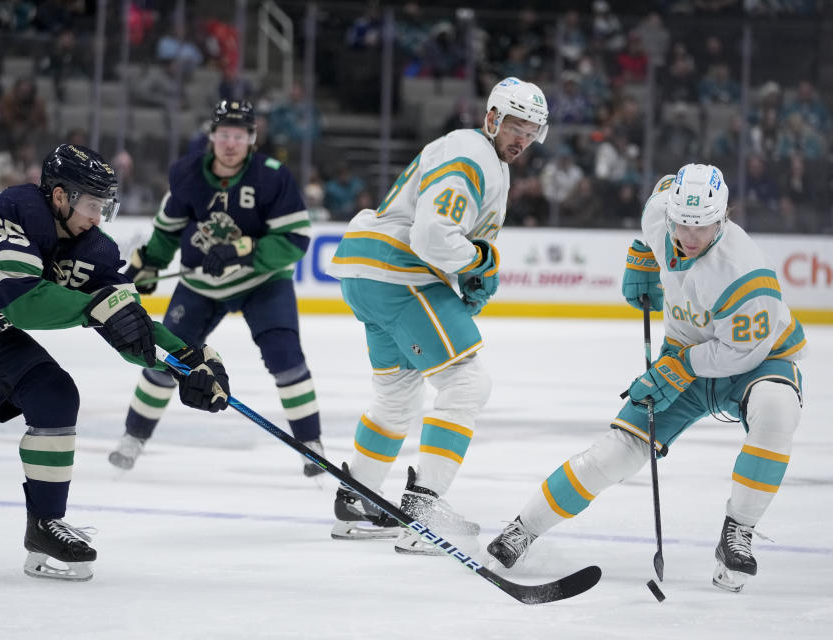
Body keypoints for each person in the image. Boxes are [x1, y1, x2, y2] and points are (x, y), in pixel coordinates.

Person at [0, 144, 230, 582]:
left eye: (106, 206)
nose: (98, 217)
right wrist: (93, 309)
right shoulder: (13, 211)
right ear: (60, 196)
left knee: (55, 395)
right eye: (92, 204)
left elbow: (128, 325)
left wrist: (187, 360)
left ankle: (44, 526)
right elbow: (21, 303)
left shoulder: (93, 248)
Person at [487, 164, 806, 594]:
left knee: (777, 410)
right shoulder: (661, 212)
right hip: (686, 351)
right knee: (615, 454)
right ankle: (523, 527)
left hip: (759, 359)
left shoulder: (746, 275)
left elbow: (741, 351)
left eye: (703, 227)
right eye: (681, 225)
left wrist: (681, 367)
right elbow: (657, 202)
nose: (689, 237)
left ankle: (739, 530)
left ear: (724, 217)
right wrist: (642, 252)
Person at [325, 77, 549, 553]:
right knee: (467, 383)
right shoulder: (471, 154)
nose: (522, 139)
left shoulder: (481, 157)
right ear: (492, 118)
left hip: (367, 273)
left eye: (532, 132)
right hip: (397, 271)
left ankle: (356, 498)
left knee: (396, 399)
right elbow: (433, 235)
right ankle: (421, 511)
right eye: (515, 126)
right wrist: (478, 264)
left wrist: (470, 266)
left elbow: (442, 233)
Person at [110, 99, 324, 477]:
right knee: (167, 358)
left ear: (252, 140)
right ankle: (133, 436)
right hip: (201, 284)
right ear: (211, 136)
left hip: (262, 283)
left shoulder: (272, 176)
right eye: (224, 134)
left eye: (239, 136)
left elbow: (295, 240)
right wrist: (150, 264)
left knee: (285, 356)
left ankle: (311, 444)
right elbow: (167, 231)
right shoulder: (188, 175)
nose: (230, 144)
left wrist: (243, 251)